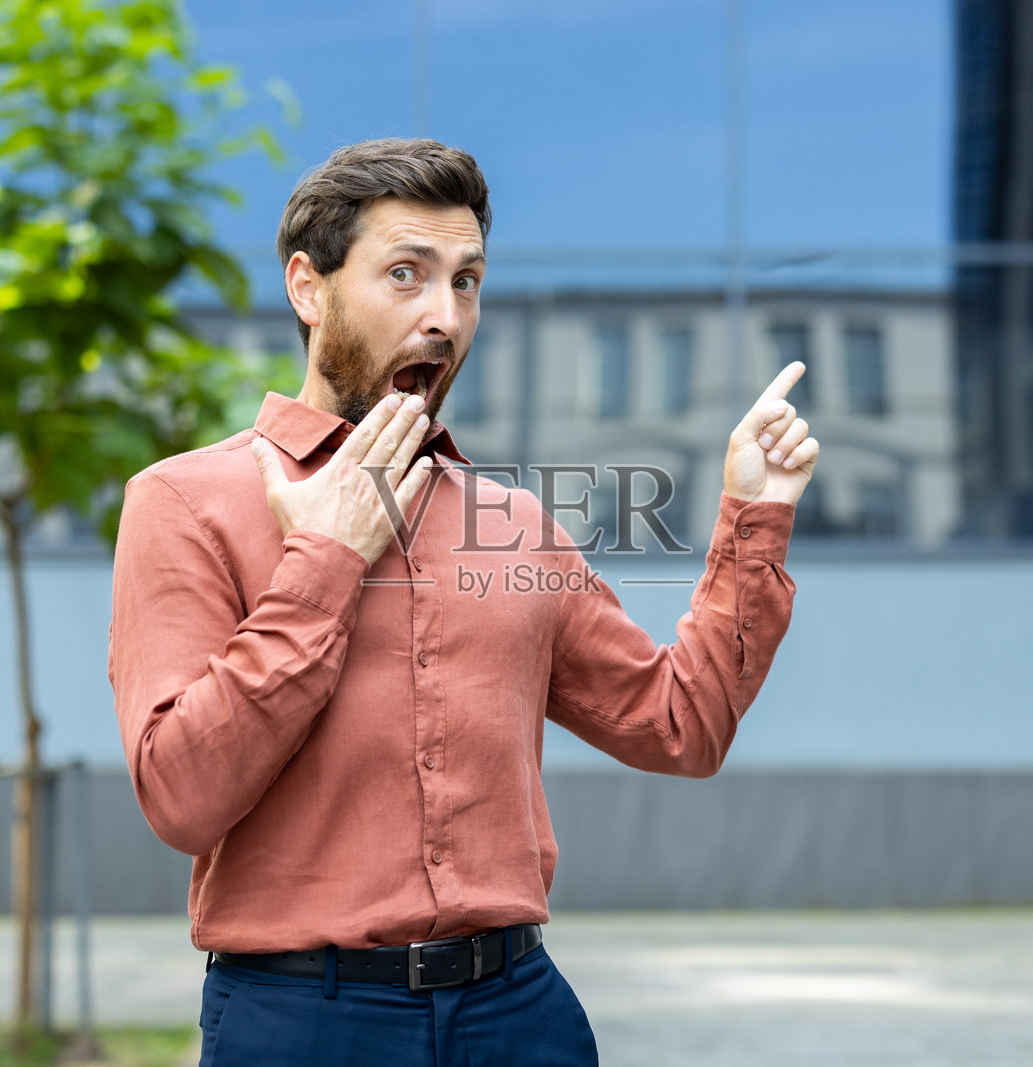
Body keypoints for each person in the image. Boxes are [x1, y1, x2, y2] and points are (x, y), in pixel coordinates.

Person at [108, 138, 819, 1066]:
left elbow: (680, 724)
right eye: (406, 274)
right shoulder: (185, 501)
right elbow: (180, 799)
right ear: (307, 287)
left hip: (518, 1015)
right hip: (302, 1021)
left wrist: (753, 515)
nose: (444, 316)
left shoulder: (513, 524)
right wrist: (326, 558)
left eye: (467, 281)